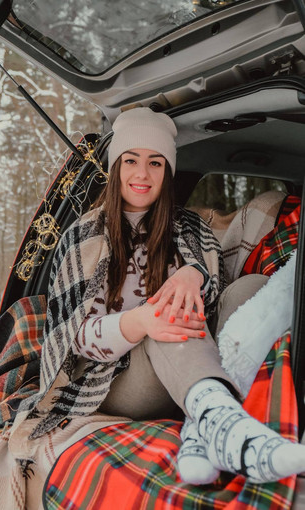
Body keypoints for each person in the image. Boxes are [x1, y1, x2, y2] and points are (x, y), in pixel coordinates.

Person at [38, 107, 305, 486]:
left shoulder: (193, 229)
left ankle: (203, 427)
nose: (142, 174)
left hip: (190, 363)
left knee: (250, 288)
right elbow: (71, 337)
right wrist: (139, 321)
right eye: (130, 160)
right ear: (116, 168)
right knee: (165, 319)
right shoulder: (84, 236)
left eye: (155, 162)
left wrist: (193, 274)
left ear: (168, 171)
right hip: (114, 381)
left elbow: (216, 302)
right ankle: (223, 425)